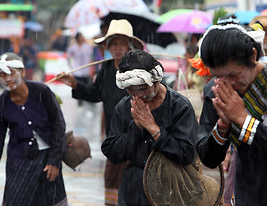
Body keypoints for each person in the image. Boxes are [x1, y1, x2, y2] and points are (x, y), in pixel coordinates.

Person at [56, 19, 144, 205]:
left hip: (137, 135)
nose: (117, 48)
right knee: (112, 179)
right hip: (114, 136)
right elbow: (96, 94)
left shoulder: (138, 70)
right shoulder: (105, 70)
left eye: (121, 43)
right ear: (108, 46)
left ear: (129, 46)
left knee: (135, 180)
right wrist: (74, 84)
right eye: (113, 43)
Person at [101, 50, 198, 205]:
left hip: (171, 191)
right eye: (131, 90)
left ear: (156, 81)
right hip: (132, 192)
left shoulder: (180, 106)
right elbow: (112, 152)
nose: (138, 96)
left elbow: (187, 154)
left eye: (143, 89)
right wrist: (136, 127)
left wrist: (154, 130)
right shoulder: (124, 107)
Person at [196, 23, 266, 205]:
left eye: (234, 74)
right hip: (247, 191)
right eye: (218, 76)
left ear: (253, 55)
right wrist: (224, 125)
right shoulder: (215, 91)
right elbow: (208, 158)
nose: (228, 83)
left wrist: (242, 118)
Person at [0, 52, 67, 206]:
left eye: (12, 73)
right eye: (2, 75)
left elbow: (58, 125)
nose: (8, 79)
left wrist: (55, 160)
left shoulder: (42, 92)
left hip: (47, 160)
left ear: (23, 72)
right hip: (18, 162)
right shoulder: (1, 105)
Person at [67, 32, 93, 106]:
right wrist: (71, 67)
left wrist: (90, 68)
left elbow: (90, 58)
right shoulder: (73, 47)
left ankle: (85, 99)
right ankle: (79, 101)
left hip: (85, 70)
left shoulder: (87, 46)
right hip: (77, 71)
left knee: (85, 85)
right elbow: (68, 57)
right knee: (77, 86)